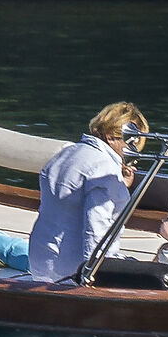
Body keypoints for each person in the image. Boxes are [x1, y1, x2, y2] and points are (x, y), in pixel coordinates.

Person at [25, 102, 143, 283]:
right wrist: (97, 278)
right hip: (70, 271)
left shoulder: (66, 153)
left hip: (39, 261)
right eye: (132, 142)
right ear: (111, 136)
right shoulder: (105, 170)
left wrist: (121, 187)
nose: (134, 152)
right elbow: (96, 233)